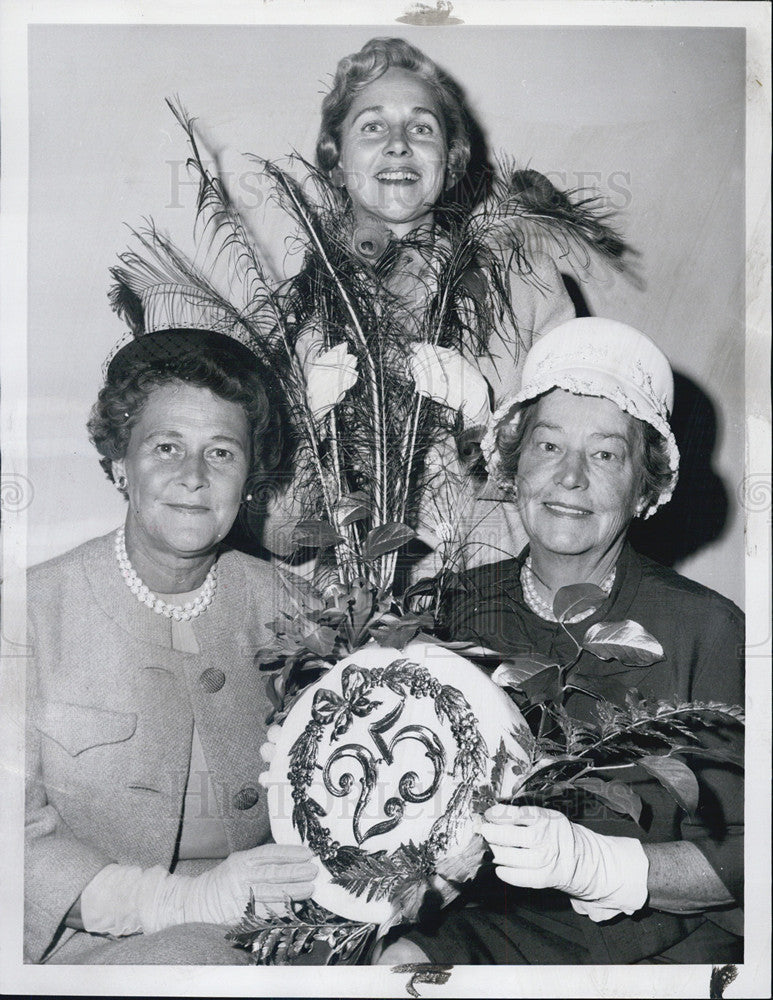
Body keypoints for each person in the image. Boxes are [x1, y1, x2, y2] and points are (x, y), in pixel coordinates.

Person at [377, 316, 744, 964]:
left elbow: (746, 857)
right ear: (513, 464)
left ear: (645, 486)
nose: (570, 476)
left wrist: (597, 865)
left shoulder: (704, 630)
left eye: (605, 454)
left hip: (653, 956)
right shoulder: (443, 611)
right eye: (547, 446)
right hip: (477, 938)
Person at [222, 36, 580, 567]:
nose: (398, 144)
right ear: (337, 160)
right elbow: (275, 534)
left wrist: (486, 431)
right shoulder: (294, 316)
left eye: (421, 127)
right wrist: (305, 436)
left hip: (493, 603)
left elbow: (578, 485)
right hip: (344, 622)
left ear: (451, 161)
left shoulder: (530, 289)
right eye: (372, 126)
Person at [25, 327, 317, 965]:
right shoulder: (26, 615)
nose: (193, 476)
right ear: (119, 464)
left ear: (248, 480)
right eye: (166, 447)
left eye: (220, 453)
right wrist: (185, 904)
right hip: (98, 942)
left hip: (283, 929)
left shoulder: (297, 608)